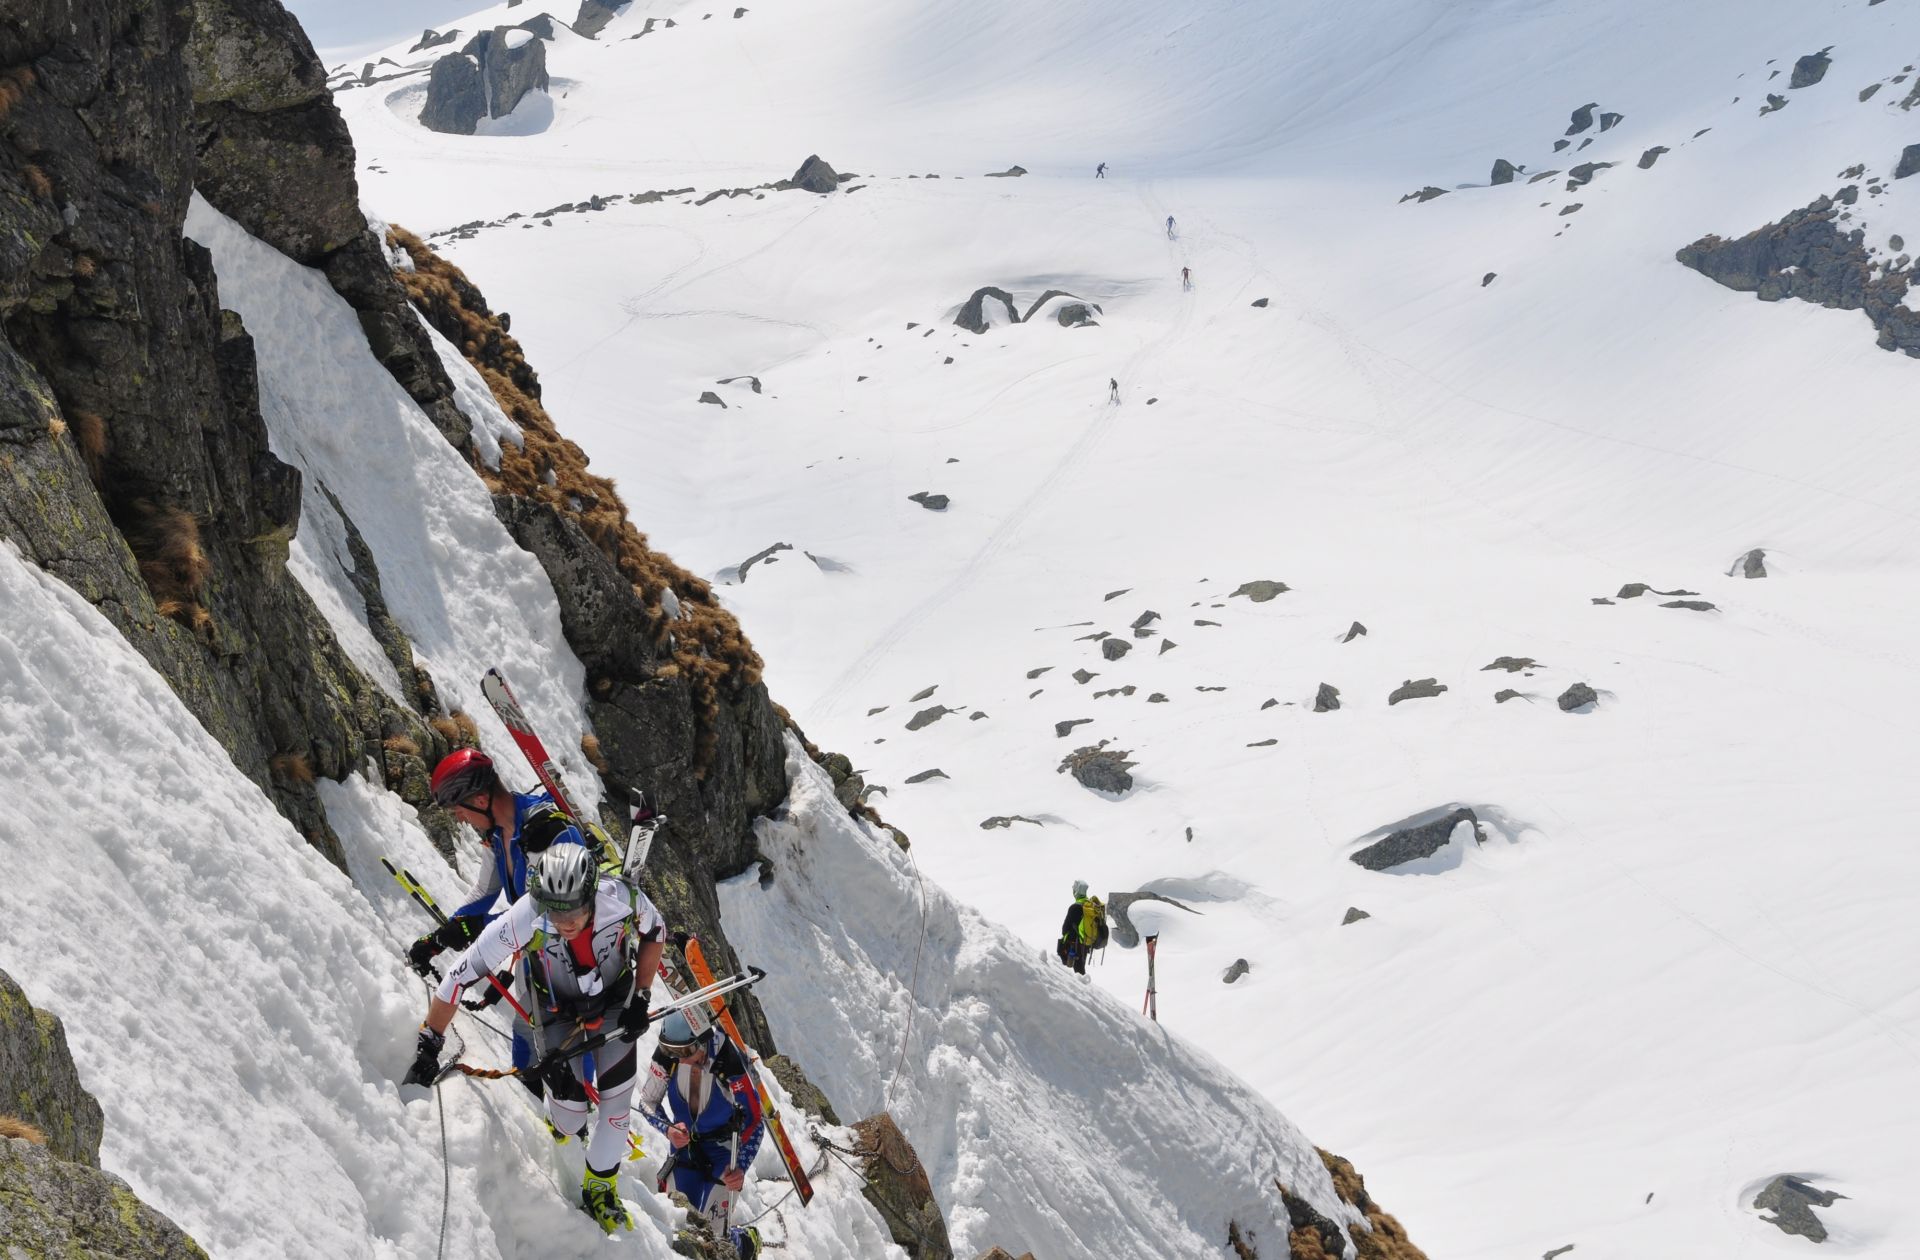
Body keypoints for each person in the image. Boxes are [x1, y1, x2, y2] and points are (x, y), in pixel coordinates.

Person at [404, 845, 668, 1233]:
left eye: (574, 910)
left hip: (614, 1002)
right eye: (555, 910)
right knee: (571, 1114)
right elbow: (459, 975)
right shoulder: (525, 917)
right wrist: (431, 1041)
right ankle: (564, 1128)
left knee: (615, 1105)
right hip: (554, 1011)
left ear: (591, 895)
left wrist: (642, 995)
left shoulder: (623, 898)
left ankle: (601, 1190)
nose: (565, 921)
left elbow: (656, 932)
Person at [408, 749, 587, 1095]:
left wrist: (482, 926)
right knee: (525, 1040)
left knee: (568, 1055)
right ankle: (540, 1117)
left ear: (480, 798)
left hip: (574, 963)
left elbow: (556, 910)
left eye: (459, 808)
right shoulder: (496, 835)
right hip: (534, 956)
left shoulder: (547, 831)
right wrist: (442, 936)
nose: (460, 818)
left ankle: (576, 1127)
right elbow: (485, 891)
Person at [640, 1009, 766, 1258]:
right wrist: (668, 1129)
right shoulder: (669, 1055)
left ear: (703, 1038)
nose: (681, 1059)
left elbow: (755, 1121)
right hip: (683, 1151)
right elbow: (647, 1103)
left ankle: (744, 1242)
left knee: (716, 1244)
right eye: (672, 1050)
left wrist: (740, 1167)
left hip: (723, 1154)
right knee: (677, 1227)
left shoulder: (728, 1058)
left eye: (687, 1051)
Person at [1056, 880, 1108, 976]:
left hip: (1074, 944)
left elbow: (1065, 928)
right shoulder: (1090, 906)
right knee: (1080, 967)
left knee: (1077, 972)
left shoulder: (1075, 907)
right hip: (1085, 943)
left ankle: (1083, 989)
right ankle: (1082, 987)